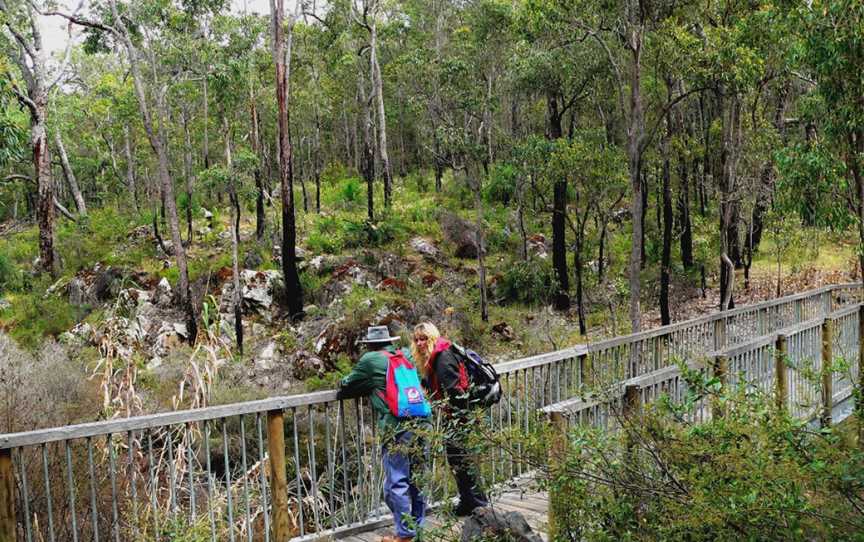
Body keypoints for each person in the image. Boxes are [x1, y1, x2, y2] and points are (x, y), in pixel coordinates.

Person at [336, 325, 427, 542]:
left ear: (369, 344)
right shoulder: (405, 354)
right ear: (389, 340)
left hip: (396, 426)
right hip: (422, 421)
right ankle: (417, 532)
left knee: (396, 481)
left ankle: (405, 535)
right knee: (417, 480)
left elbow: (347, 383)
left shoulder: (370, 360)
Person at [411, 322, 489, 516]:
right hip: (458, 416)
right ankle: (469, 502)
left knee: (462, 460)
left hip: (459, 417)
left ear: (432, 339)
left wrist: (457, 418)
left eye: (424, 339)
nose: (420, 343)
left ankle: (479, 505)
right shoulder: (439, 355)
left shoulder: (443, 357)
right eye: (417, 339)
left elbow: (454, 390)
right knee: (457, 459)